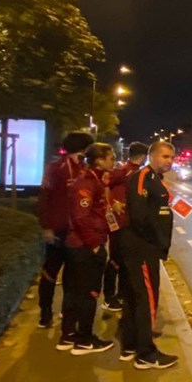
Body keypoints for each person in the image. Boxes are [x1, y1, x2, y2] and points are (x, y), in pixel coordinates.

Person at [119, 141, 179, 369]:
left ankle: (133, 344)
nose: (169, 161)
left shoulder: (155, 179)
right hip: (142, 247)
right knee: (147, 298)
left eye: (172, 157)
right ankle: (146, 353)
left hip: (147, 246)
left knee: (137, 296)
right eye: (164, 156)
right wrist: (157, 241)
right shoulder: (143, 177)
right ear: (151, 156)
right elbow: (140, 216)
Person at [58, 143, 118, 355]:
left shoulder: (93, 180)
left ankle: (68, 335)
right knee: (88, 293)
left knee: (73, 292)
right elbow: (80, 217)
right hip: (84, 247)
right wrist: (94, 245)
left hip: (78, 245)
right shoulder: (88, 183)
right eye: (111, 157)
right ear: (99, 160)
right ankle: (84, 339)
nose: (114, 161)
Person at [35, 131, 95, 329]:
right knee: (50, 271)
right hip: (58, 228)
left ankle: (66, 311)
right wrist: (47, 227)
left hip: (75, 230)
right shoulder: (56, 168)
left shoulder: (83, 168)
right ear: (83, 149)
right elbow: (44, 198)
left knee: (72, 273)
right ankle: (45, 311)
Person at [101, 142, 149, 313]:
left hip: (128, 223)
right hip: (119, 223)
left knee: (124, 261)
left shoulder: (137, 172)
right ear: (144, 156)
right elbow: (103, 184)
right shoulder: (125, 171)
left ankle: (121, 294)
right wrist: (113, 202)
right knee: (116, 259)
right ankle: (108, 297)